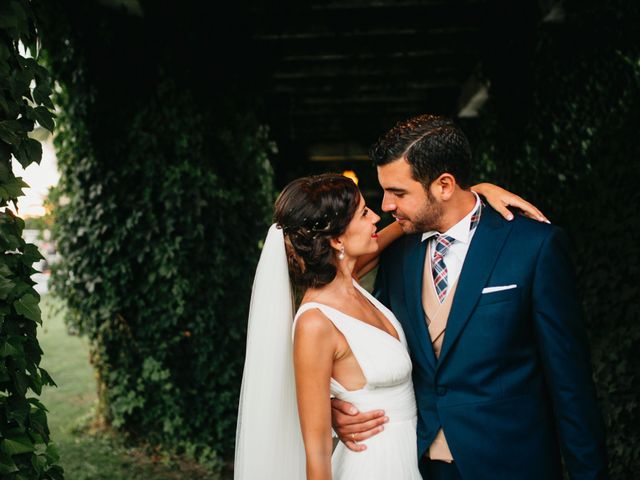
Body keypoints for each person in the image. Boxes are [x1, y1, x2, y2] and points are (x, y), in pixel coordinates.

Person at [332, 114, 608, 480]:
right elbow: (367, 345)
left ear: (444, 185)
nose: (386, 206)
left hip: (511, 466)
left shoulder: (533, 247)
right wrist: (337, 406)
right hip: (414, 465)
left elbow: (570, 384)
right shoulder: (397, 254)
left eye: (398, 193)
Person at [235, 169, 548, 479]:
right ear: (336, 239)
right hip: (371, 466)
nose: (376, 217)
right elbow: (316, 453)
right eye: (363, 213)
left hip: (412, 457)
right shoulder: (315, 322)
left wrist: (474, 194)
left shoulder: (350, 283)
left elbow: (405, 226)